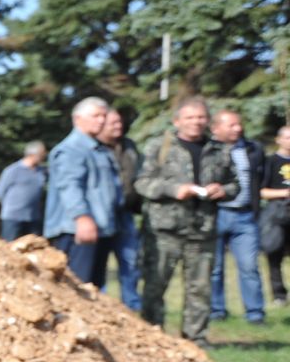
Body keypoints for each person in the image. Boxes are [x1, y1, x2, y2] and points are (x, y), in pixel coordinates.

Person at [137, 97, 234, 344]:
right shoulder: (159, 146)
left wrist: (223, 190)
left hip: (203, 229)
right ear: (177, 121)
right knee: (155, 285)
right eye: (190, 117)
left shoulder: (219, 150)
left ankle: (195, 338)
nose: (196, 122)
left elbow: (236, 184)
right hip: (164, 230)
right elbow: (142, 182)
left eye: (201, 117)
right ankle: (152, 336)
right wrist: (173, 189)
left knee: (199, 288)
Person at [43, 97, 120, 288]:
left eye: (103, 115)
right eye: (95, 116)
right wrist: (82, 218)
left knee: (93, 290)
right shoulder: (71, 149)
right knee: (75, 290)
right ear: (77, 119)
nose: (101, 120)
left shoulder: (99, 150)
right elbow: (70, 186)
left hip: (99, 229)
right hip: (77, 231)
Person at [208, 106, 267, 324]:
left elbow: (261, 179)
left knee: (249, 266)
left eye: (239, 124)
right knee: (215, 268)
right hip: (216, 214)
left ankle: (255, 314)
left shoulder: (253, 149)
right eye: (231, 125)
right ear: (216, 128)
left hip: (245, 217)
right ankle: (216, 310)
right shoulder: (208, 150)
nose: (238, 128)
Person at [97, 109, 142, 311]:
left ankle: (131, 305)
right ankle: (101, 304)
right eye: (113, 123)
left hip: (125, 212)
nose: (118, 126)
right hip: (101, 214)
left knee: (131, 261)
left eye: (119, 122)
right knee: (99, 262)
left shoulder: (128, 145)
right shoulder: (94, 148)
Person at [260, 123, 290, 306]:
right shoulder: (270, 162)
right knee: (274, 253)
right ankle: (279, 295)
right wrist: (284, 194)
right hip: (277, 213)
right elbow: (262, 191)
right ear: (278, 140)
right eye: (287, 137)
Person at [0, 141, 47, 241]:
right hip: (13, 217)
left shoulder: (41, 171)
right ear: (32, 155)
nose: (43, 157)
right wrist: (11, 206)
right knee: (10, 247)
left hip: (33, 217)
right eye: (41, 154)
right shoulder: (13, 170)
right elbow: (0, 190)